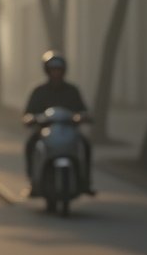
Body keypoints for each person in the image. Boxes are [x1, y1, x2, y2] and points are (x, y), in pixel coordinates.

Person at [22, 50, 95, 195]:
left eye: (58, 70)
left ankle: (85, 181)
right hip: (45, 131)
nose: (56, 73)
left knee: (85, 144)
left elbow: (82, 110)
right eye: (52, 70)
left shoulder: (72, 90)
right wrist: (31, 119)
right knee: (30, 143)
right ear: (47, 71)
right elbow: (28, 113)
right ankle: (33, 180)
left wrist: (83, 117)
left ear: (64, 71)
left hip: (68, 131)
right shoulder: (39, 91)